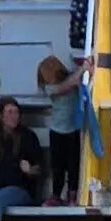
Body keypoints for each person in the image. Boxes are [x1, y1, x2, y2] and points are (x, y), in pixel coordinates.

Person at [37, 55, 92, 206]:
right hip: (57, 130)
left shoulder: (70, 79)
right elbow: (69, 84)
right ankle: (56, 194)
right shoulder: (51, 89)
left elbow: (80, 81)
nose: (46, 79)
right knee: (58, 166)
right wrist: (82, 69)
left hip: (73, 129)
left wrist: (86, 68)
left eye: (47, 75)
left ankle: (72, 193)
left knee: (73, 164)